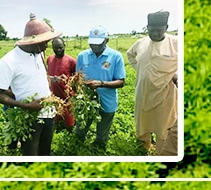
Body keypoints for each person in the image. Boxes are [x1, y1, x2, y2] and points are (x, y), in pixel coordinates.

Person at [0, 13, 61, 156]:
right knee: (30, 153)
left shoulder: (39, 54)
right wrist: (26, 105)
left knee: (45, 151)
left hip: (49, 113)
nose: (47, 45)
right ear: (34, 42)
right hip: (30, 117)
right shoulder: (9, 61)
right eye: (44, 42)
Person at [125, 10, 180, 156]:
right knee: (142, 121)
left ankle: (161, 151)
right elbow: (130, 55)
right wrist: (140, 69)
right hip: (143, 92)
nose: (155, 33)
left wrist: (176, 75)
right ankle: (144, 146)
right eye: (152, 30)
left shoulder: (176, 43)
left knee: (163, 124)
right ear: (147, 27)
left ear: (166, 27)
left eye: (159, 30)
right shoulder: (141, 43)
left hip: (165, 94)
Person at [74, 25, 126, 150]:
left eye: (98, 43)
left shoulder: (116, 56)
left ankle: (98, 150)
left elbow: (121, 82)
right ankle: (76, 148)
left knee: (102, 136)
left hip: (107, 102)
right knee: (79, 131)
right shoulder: (82, 56)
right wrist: (80, 86)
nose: (95, 47)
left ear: (106, 41)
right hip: (86, 102)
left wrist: (101, 83)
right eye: (92, 43)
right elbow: (77, 78)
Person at [45, 37, 77, 130]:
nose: (58, 50)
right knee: (54, 120)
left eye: (60, 47)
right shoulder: (49, 59)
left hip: (67, 97)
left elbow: (77, 80)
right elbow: (47, 75)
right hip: (54, 97)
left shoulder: (72, 61)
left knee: (69, 124)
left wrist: (67, 80)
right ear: (52, 47)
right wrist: (54, 79)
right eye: (55, 48)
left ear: (64, 46)